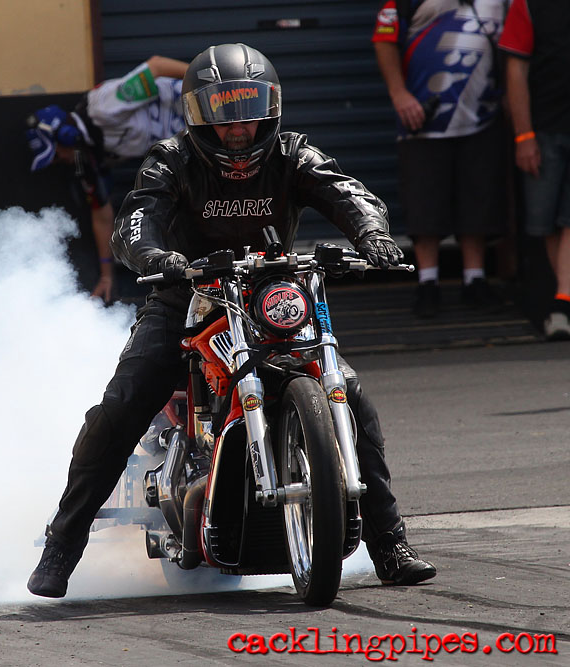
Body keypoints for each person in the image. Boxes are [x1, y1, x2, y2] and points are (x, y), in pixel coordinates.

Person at [27, 43, 437, 599]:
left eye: (249, 113)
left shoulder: (293, 154)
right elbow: (137, 217)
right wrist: (153, 256)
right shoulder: (171, 159)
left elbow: (347, 192)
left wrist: (372, 232)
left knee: (352, 395)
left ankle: (389, 544)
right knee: (122, 405)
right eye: (224, 114)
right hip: (185, 301)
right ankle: (62, 544)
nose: (239, 129)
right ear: (199, 115)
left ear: (270, 110)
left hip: (271, 301)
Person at [372, 0, 509, 319]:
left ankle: (475, 279)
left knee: (479, 200)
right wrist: (399, 94)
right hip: (424, 121)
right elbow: (384, 39)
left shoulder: (501, 3)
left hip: (482, 119)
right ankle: (428, 283)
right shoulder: (405, 3)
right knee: (424, 204)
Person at [25, 55, 189, 302]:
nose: (60, 161)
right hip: (191, 139)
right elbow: (101, 216)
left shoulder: (103, 108)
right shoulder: (89, 157)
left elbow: (156, 66)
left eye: (56, 155)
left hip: (192, 105)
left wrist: (204, 82)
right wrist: (106, 276)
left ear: (65, 134)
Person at [499, 0, 570, 340]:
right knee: (546, 223)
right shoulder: (529, 5)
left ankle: (562, 305)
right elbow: (516, 70)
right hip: (544, 129)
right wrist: (524, 135)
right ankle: (562, 300)